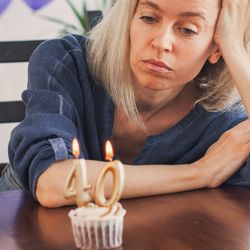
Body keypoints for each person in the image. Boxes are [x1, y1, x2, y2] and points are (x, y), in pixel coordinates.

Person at [1, 0, 250, 208]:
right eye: (149, 18)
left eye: (187, 30)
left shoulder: (223, 118)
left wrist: (236, 49)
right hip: (23, 220)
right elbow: (53, 184)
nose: (162, 43)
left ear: (216, 48)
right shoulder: (67, 61)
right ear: (129, 19)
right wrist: (201, 173)